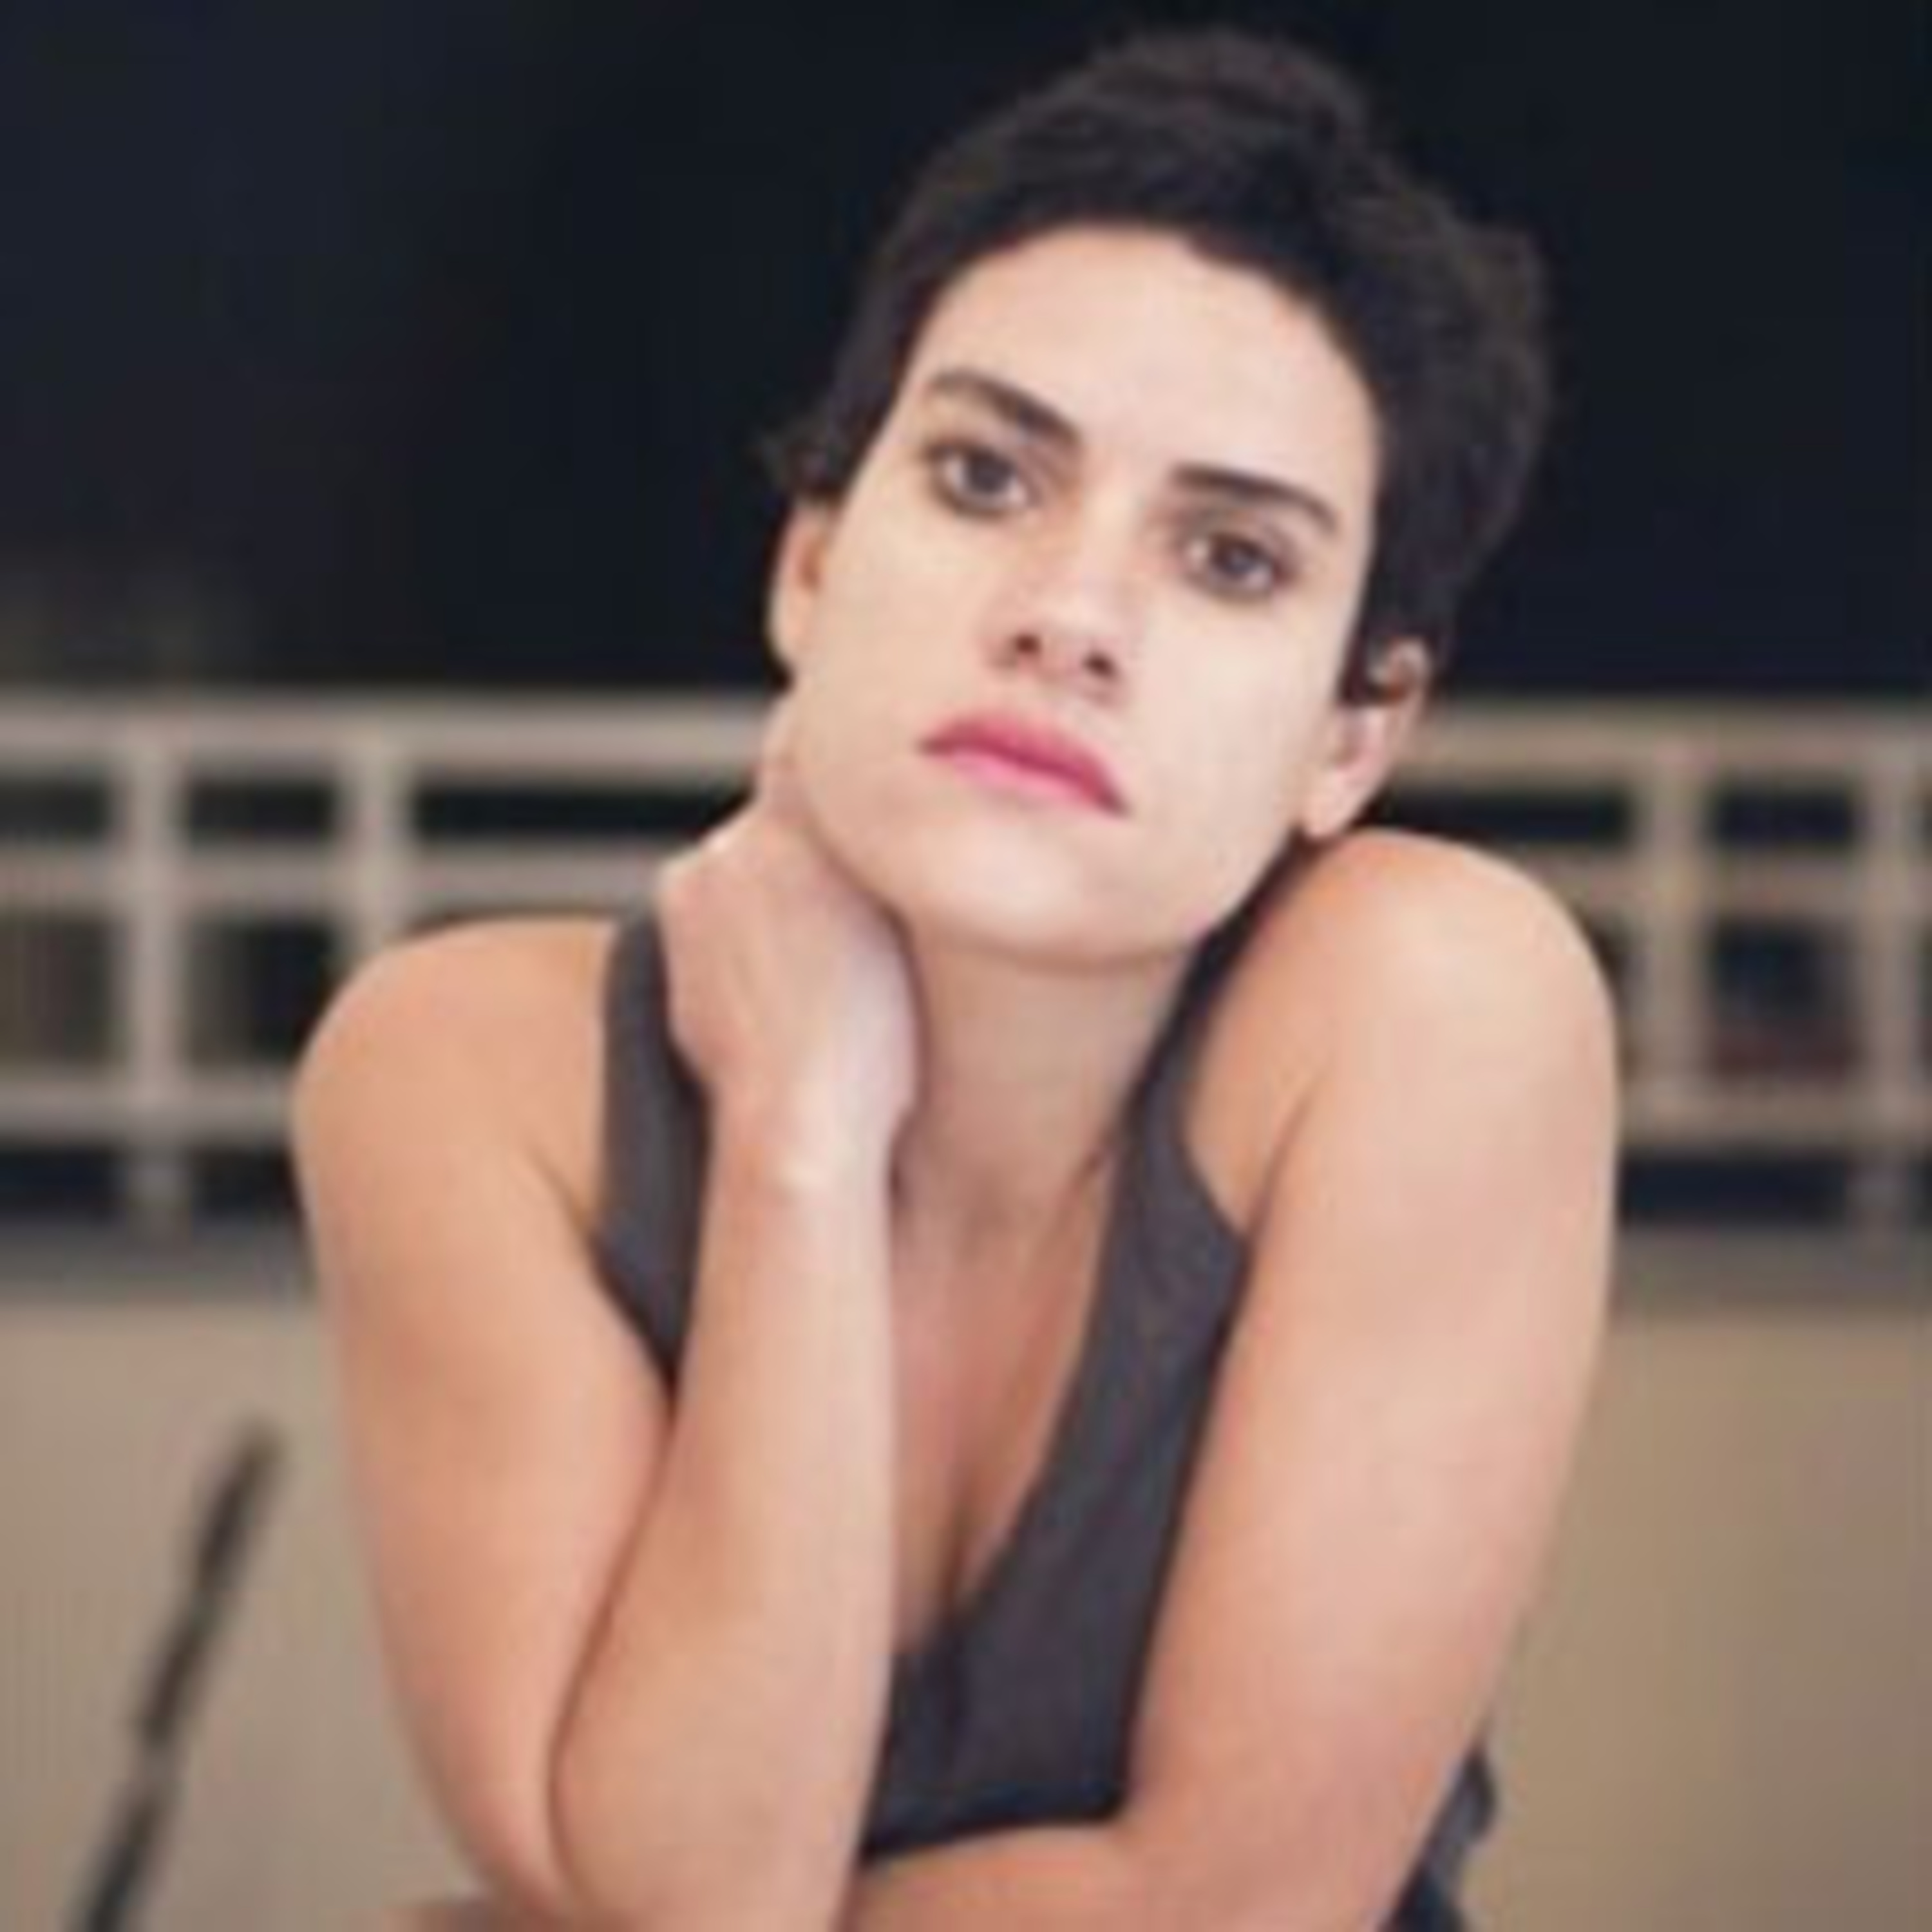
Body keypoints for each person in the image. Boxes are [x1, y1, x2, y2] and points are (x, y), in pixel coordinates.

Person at [296, 26, 1618, 1931]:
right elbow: (692, 1900)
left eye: (1231, 560)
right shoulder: (462, 1074)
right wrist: (800, 1138)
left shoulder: (1432, 1005)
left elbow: (1234, 1912)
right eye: (988, 477)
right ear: (812, 568)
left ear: (1355, 736)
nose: (1070, 615)